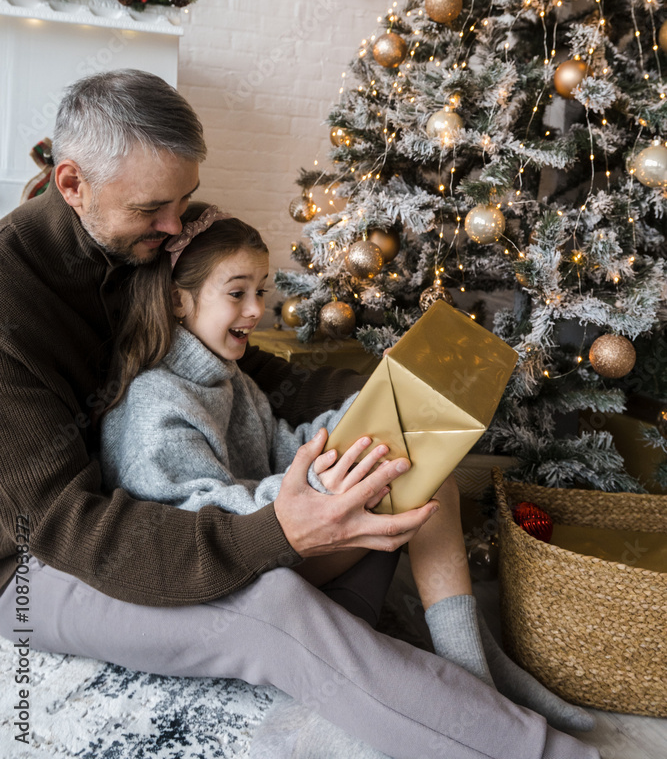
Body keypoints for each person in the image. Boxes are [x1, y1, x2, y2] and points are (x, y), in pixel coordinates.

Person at [0, 69, 598, 759]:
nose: (174, 230)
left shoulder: (136, 245)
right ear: (72, 184)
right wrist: (270, 535)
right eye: (151, 210)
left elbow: (255, 375)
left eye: (185, 201)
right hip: (33, 560)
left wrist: (396, 389)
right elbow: (64, 528)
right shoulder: (14, 306)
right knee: (274, 607)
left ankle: (433, 677)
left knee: (390, 464)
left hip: (151, 510)